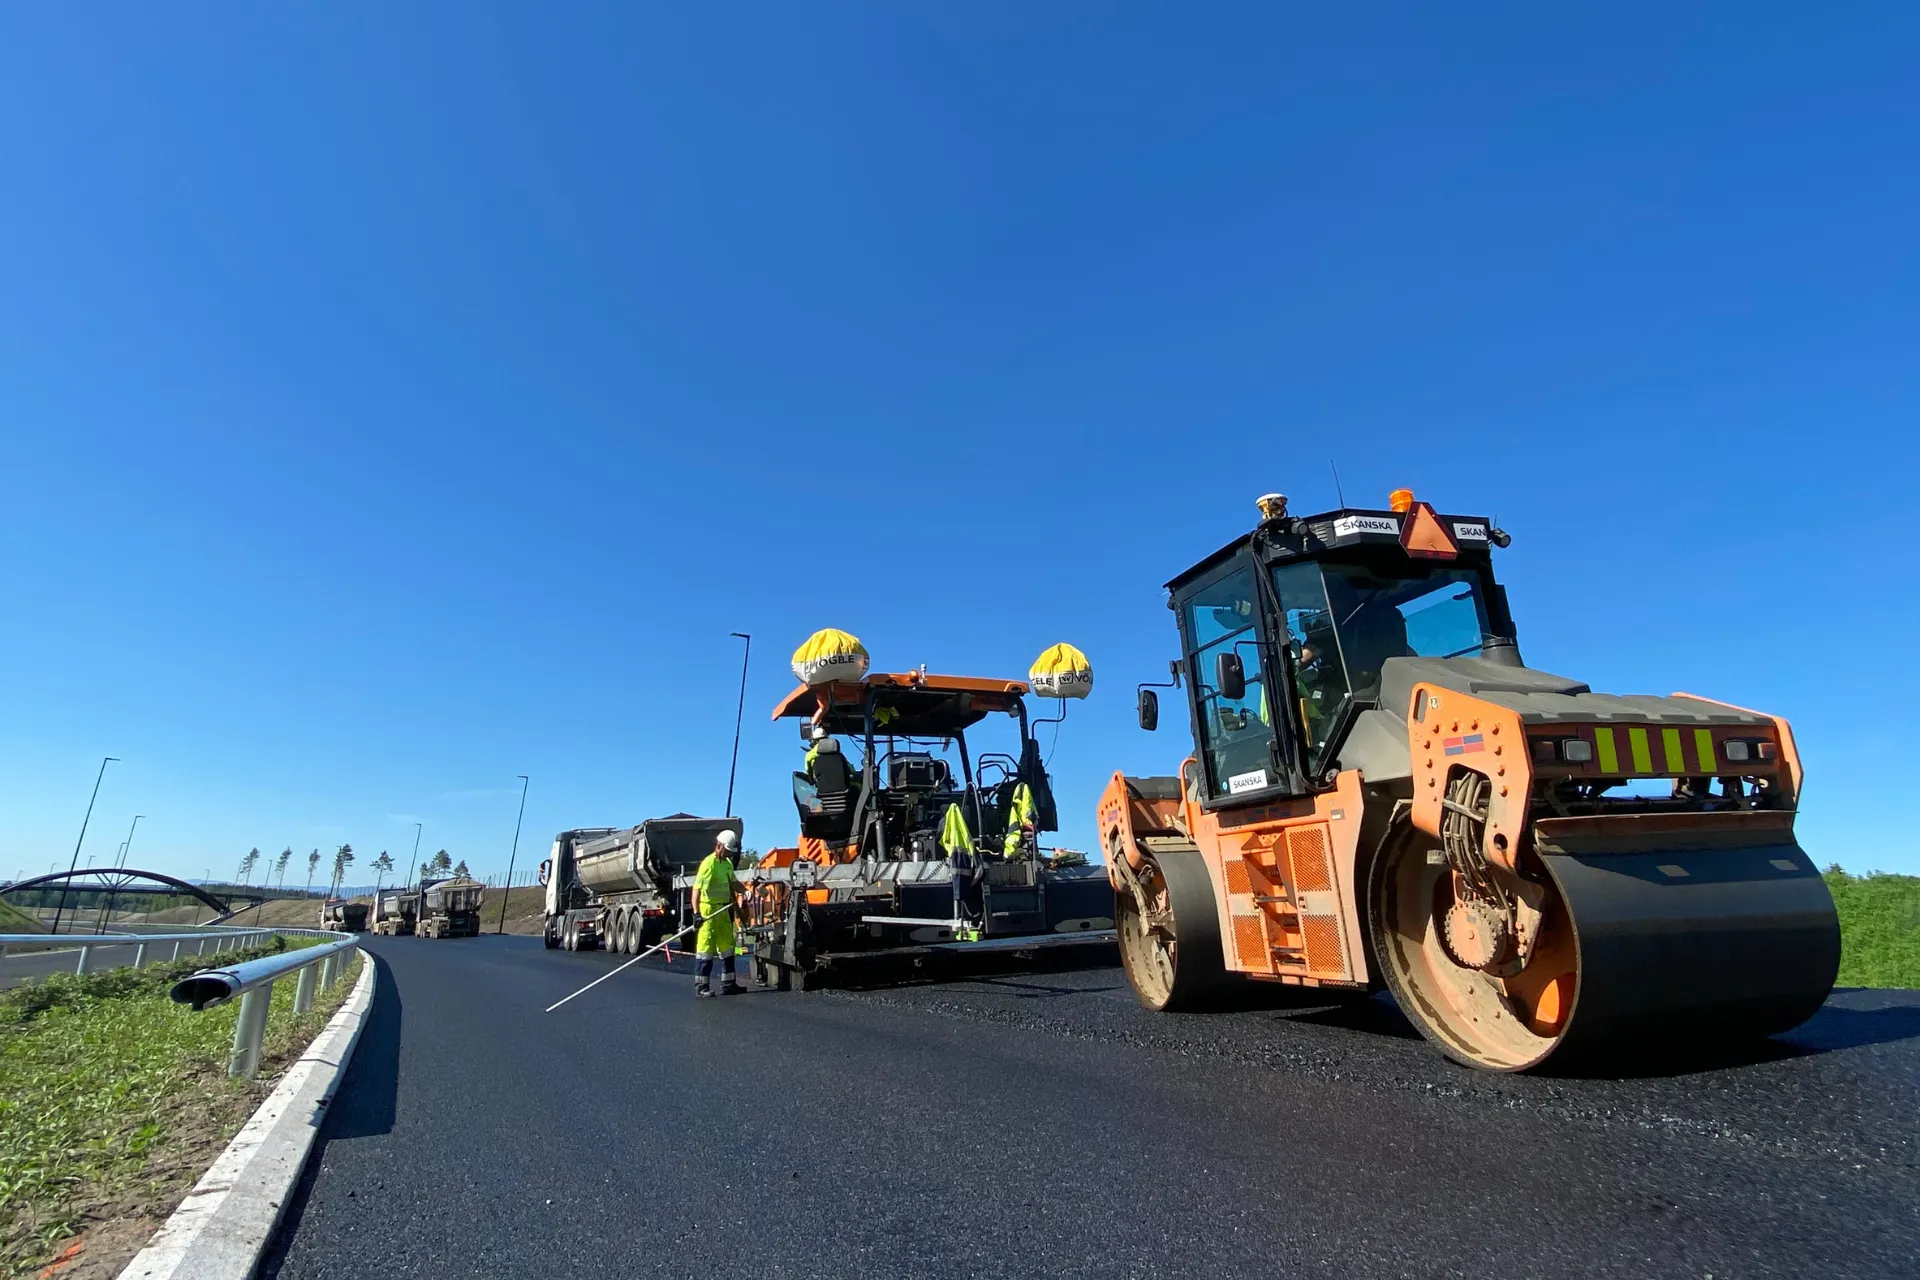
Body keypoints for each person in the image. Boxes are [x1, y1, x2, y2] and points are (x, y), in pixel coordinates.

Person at [693, 830, 747, 998]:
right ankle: (702, 986)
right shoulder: (708, 864)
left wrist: (745, 891)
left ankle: (728, 984)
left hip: (724, 910)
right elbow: (696, 890)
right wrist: (696, 913)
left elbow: (733, 884)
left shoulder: (727, 864)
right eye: (728, 850)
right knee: (706, 949)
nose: (730, 853)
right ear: (721, 846)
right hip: (708, 911)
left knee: (728, 948)